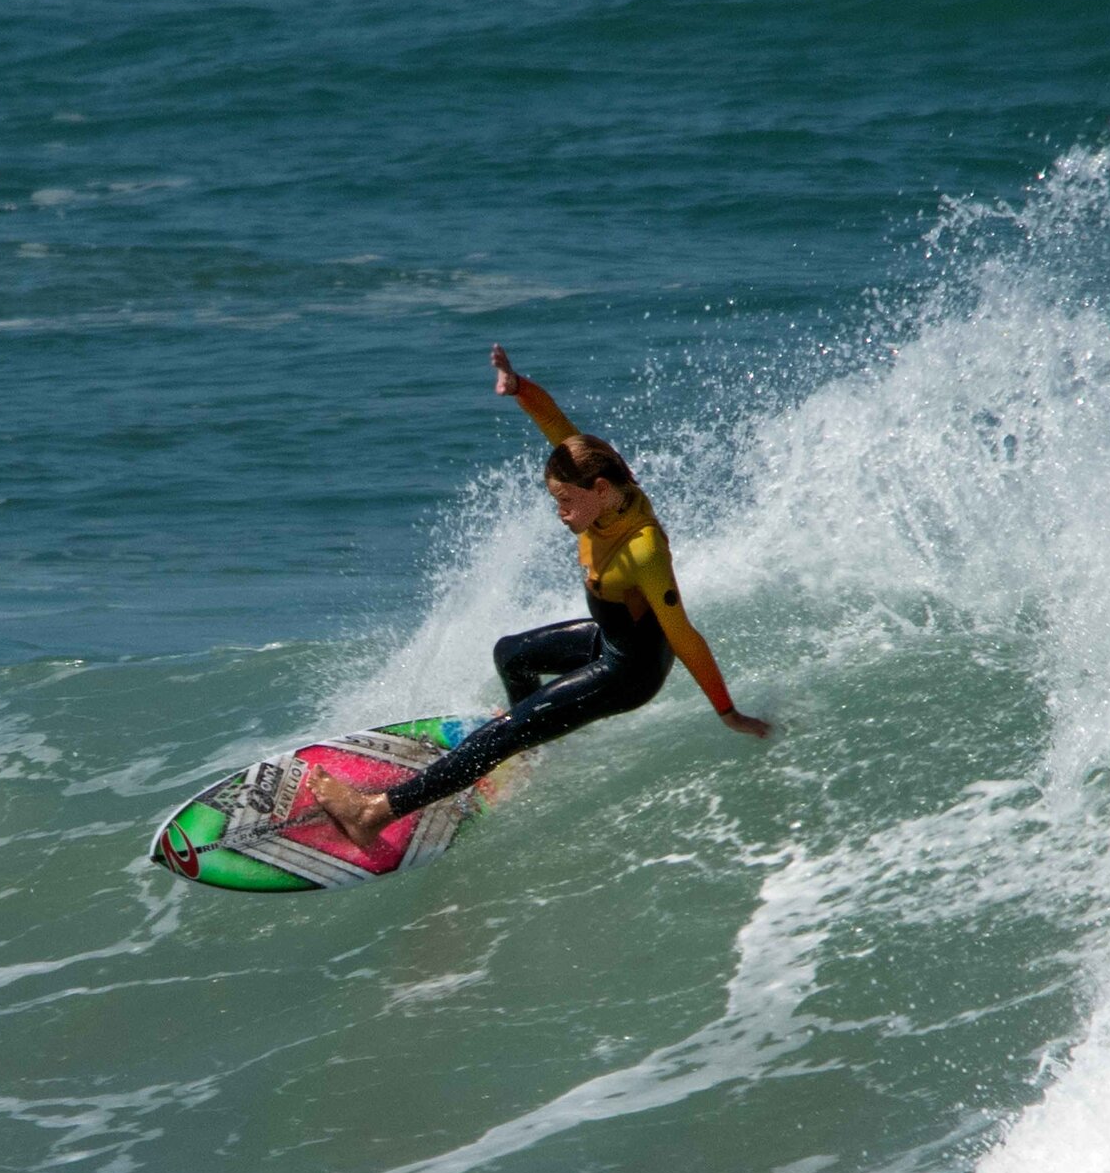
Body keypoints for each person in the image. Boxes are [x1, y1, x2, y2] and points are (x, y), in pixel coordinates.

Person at [307, 346, 768, 850]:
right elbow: (556, 422)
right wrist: (517, 386)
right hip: (608, 638)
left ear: (597, 490)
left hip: (629, 673)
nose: (560, 512)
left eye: (566, 502)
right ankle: (529, 742)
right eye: (556, 500)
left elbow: (683, 635)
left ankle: (373, 814)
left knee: (505, 731)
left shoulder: (643, 550)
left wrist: (728, 712)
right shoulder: (600, 478)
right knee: (512, 654)